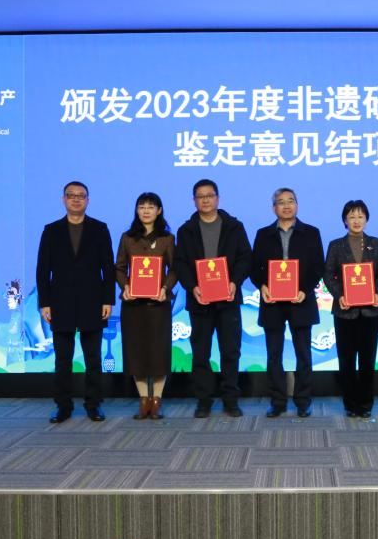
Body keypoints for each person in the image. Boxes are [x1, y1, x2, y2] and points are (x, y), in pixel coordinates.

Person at [36, 181, 115, 423]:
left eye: (81, 195)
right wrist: (45, 303)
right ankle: (63, 406)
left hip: (93, 302)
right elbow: (42, 270)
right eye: (71, 195)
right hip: (60, 303)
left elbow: (108, 268)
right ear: (64, 200)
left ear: (88, 200)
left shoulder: (99, 229)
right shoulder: (51, 230)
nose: (76, 199)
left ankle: (93, 405)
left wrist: (108, 299)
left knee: (93, 359)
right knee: (62, 360)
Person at [173, 179, 252, 418]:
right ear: (194, 201)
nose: (205, 200)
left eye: (209, 195)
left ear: (218, 198)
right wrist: (192, 287)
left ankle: (231, 400)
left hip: (228, 299)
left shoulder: (234, 226)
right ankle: (203, 401)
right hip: (200, 301)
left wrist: (234, 281)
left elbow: (245, 257)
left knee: (231, 351)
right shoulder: (186, 230)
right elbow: (180, 263)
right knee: (200, 353)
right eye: (201, 196)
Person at [251, 188, 325, 418]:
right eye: (281, 202)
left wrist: (304, 290)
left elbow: (318, 267)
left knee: (304, 354)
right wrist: (262, 286)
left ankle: (303, 401)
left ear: (297, 205)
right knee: (274, 354)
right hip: (272, 303)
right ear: (274, 207)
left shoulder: (311, 233)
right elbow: (254, 267)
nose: (286, 205)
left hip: (301, 300)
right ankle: (278, 401)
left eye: (290, 201)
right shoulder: (263, 234)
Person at [323, 200, 378, 418]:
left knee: (368, 360)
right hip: (345, 311)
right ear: (345, 220)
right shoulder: (335, 245)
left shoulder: (376, 243)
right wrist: (339, 295)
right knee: (347, 360)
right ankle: (350, 404)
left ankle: (366, 404)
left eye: (360, 216)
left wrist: (377, 292)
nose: (356, 220)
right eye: (352, 216)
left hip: (371, 311)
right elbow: (328, 274)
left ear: (366, 219)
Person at [115, 192, 176, 421]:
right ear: (136, 210)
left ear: (159, 211)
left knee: (159, 353)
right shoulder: (127, 238)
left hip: (158, 305)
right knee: (136, 352)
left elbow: (175, 269)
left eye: (151, 206)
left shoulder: (167, 238)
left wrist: (165, 288)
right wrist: (125, 286)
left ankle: (157, 400)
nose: (146, 210)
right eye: (142, 206)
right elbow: (120, 268)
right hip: (133, 305)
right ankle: (144, 400)